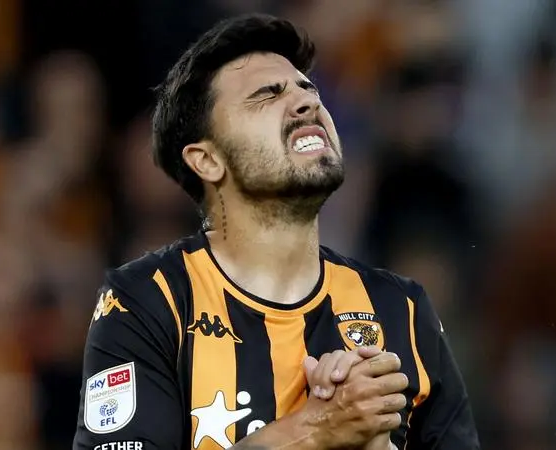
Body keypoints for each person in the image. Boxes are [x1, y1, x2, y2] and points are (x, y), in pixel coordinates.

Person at [72, 13, 480, 450]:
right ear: (207, 160)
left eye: (309, 89)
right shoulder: (147, 301)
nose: (307, 102)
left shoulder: (402, 309)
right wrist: (315, 429)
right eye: (267, 95)